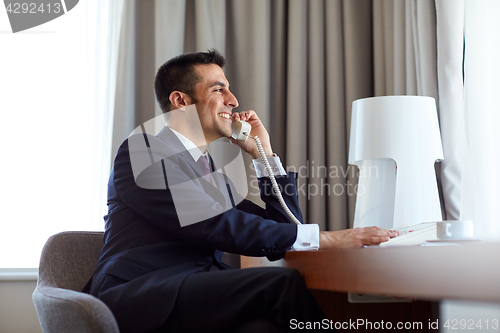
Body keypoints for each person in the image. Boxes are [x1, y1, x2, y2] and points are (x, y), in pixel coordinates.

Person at [86, 49, 398, 333]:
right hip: (138, 295)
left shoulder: (206, 169)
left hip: (193, 292)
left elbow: (283, 234)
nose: (233, 100)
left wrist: (265, 155)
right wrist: (329, 238)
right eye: (218, 89)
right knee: (280, 284)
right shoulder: (144, 151)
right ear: (180, 101)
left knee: (264, 328)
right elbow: (215, 225)